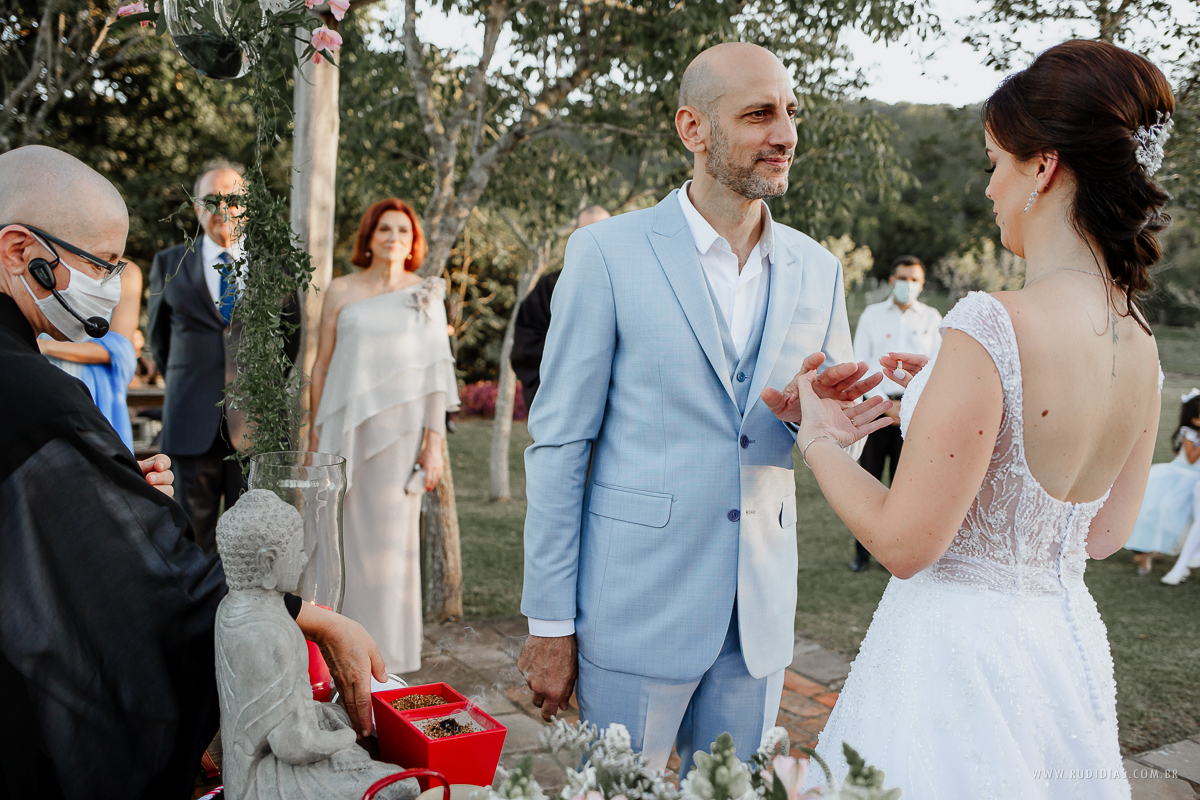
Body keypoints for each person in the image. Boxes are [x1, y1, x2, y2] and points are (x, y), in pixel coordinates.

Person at [768, 41, 1171, 798]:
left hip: (957, 668)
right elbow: (1104, 535)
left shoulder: (991, 324)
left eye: (995, 161)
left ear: (1043, 167)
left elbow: (903, 544)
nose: (989, 187)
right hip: (1062, 653)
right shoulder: (1140, 339)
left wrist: (819, 437)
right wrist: (954, 403)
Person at [518, 43, 878, 774]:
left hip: (760, 617)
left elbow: (832, 431)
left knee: (733, 793)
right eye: (758, 114)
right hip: (632, 608)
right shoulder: (607, 254)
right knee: (618, 794)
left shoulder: (819, 268)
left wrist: (819, 423)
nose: (785, 134)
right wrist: (550, 624)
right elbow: (559, 445)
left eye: (790, 112)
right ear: (693, 129)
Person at [0, 145, 387, 799]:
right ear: (19, 250)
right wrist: (312, 618)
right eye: (99, 264)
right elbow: (154, 585)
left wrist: (104, 489)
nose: (113, 283)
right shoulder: (30, 393)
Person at [309, 198, 460, 674]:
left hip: (400, 438)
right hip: (342, 430)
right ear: (369, 237)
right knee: (335, 539)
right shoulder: (340, 290)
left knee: (391, 545)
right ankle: (333, 649)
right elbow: (322, 363)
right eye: (384, 229)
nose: (394, 237)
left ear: (413, 241)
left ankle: (388, 657)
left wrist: (433, 445)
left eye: (403, 230)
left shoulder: (427, 294)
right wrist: (314, 432)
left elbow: (438, 374)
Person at [147, 159, 301, 553]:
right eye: (211, 200)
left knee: (256, 538)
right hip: (190, 421)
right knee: (189, 536)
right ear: (196, 207)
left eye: (233, 200)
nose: (223, 210)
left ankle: (251, 615)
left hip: (256, 427)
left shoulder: (277, 266)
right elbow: (159, 341)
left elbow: (289, 339)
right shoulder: (168, 263)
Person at [847, 255, 942, 571]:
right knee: (868, 482)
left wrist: (909, 405)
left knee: (907, 486)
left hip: (915, 413)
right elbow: (860, 362)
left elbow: (938, 368)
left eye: (914, 280)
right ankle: (862, 554)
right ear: (892, 280)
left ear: (922, 284)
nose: (908, 285)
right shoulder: (873, 316)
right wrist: (886, 405)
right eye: (903, 278)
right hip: (876, 407)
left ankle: (900, 553)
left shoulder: (931, 318)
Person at [510, 205, 611, 410]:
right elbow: (527, 343)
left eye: (604, 232)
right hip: (562, 399)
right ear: (575, 236)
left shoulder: (629, 285)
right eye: (588, 233)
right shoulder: (551, 287)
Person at [39, 257, 143, 451]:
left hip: (96, 392)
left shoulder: (127, 273)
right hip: (40, 383)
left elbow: (119, 349)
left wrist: (44, 346)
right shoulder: (42, 263)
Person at [1124, 389, 1200, 575]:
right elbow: (1190, 458)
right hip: (1180, 478)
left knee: (1189, 521)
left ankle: (1188, 555)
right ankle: (1145, 553)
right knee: (1163, 513)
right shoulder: (1189, 432)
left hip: (1196, 480)